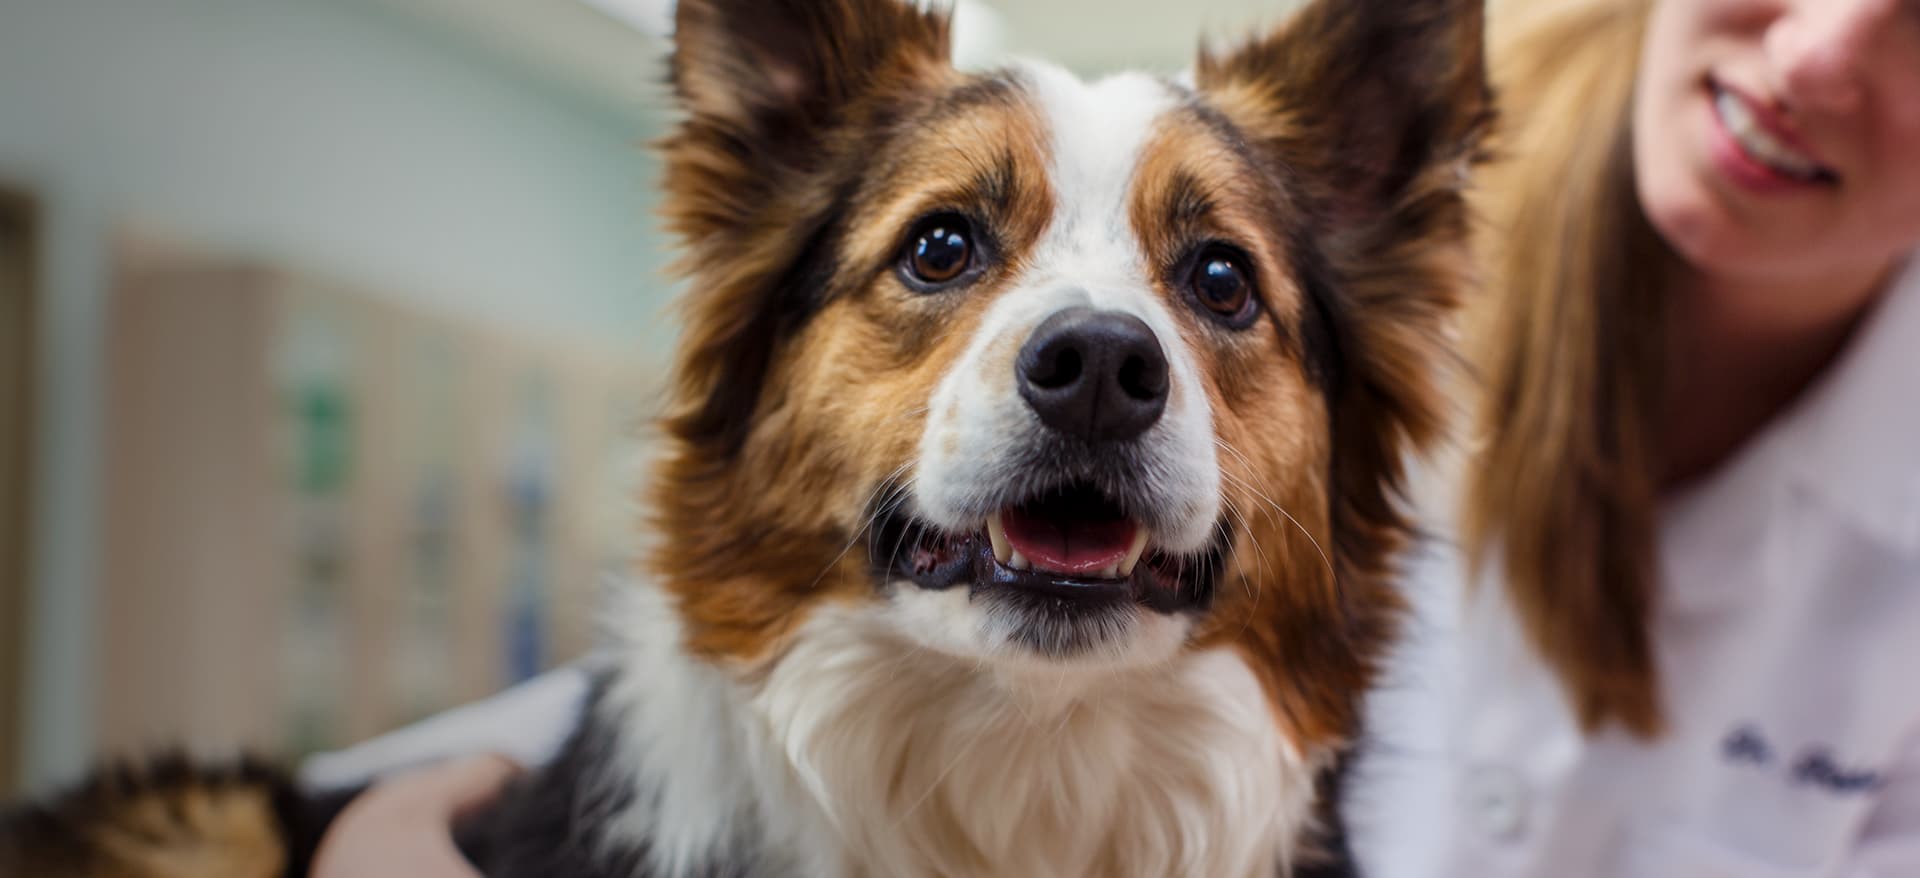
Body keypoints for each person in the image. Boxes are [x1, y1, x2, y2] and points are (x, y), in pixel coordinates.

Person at [310, 0, 1920, 874]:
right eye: (942, 249)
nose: (1103, 349)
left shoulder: (1385, 275)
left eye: (1217, 281)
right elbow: (703, 619)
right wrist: (379, 828)